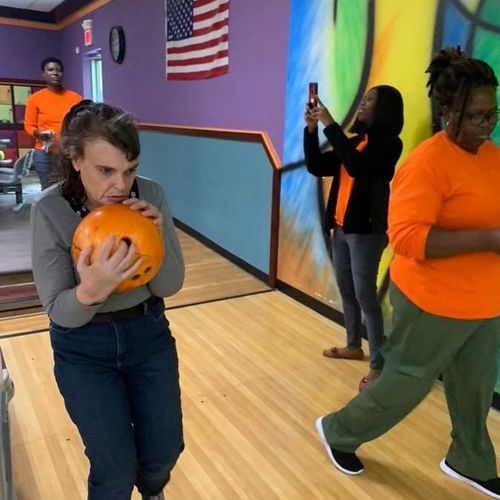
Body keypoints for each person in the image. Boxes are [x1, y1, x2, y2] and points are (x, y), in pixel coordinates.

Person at [315, 47, 500, 498]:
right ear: (446, 111)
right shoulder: (426, 162)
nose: (485, 122)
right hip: (432, 302)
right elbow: (408, 239)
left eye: (492, 112)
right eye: (474, 114)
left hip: (487, 301)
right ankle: (338, 430)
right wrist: (488, 240)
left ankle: (469, 459)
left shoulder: (494, 158)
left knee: (473, 389)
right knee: (405, 384)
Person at [30, 101, 185, 500]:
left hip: (147, 334)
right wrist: (91, 290)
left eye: (129, 169)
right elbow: (59, 311)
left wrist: (158, 233)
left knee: (164, 451)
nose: (121, 185)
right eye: (106, 171)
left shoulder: (150, 195)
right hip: (83, 349)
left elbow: (168, 286)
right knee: (114, 471)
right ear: (75, 158)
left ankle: (153, 491)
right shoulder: (49, 210)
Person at [304, 85, 404, 390]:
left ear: (385, 109)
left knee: (365, 296)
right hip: (341, 228)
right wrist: (311, 130)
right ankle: (352, 345)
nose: (362, 103)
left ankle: (378, 362)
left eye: (369, 100)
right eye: (363, 98)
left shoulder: (389, 145)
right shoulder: (357, 142)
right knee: (347, 290)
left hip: (366, 233)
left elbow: (358, 168)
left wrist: (330, 126)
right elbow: (317, 166)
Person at [24, 56, 82, 190]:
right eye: (50, 70)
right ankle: (49, 211)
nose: (55, 73)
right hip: (45, 154)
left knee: (71, 187)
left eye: (59, 70)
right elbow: (29, 125)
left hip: (69, 152)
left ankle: (69, 211)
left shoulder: (76, 98)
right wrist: (38, 134)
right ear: (43, 74)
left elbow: (81, 124)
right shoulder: (35, 99)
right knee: (48, 189)